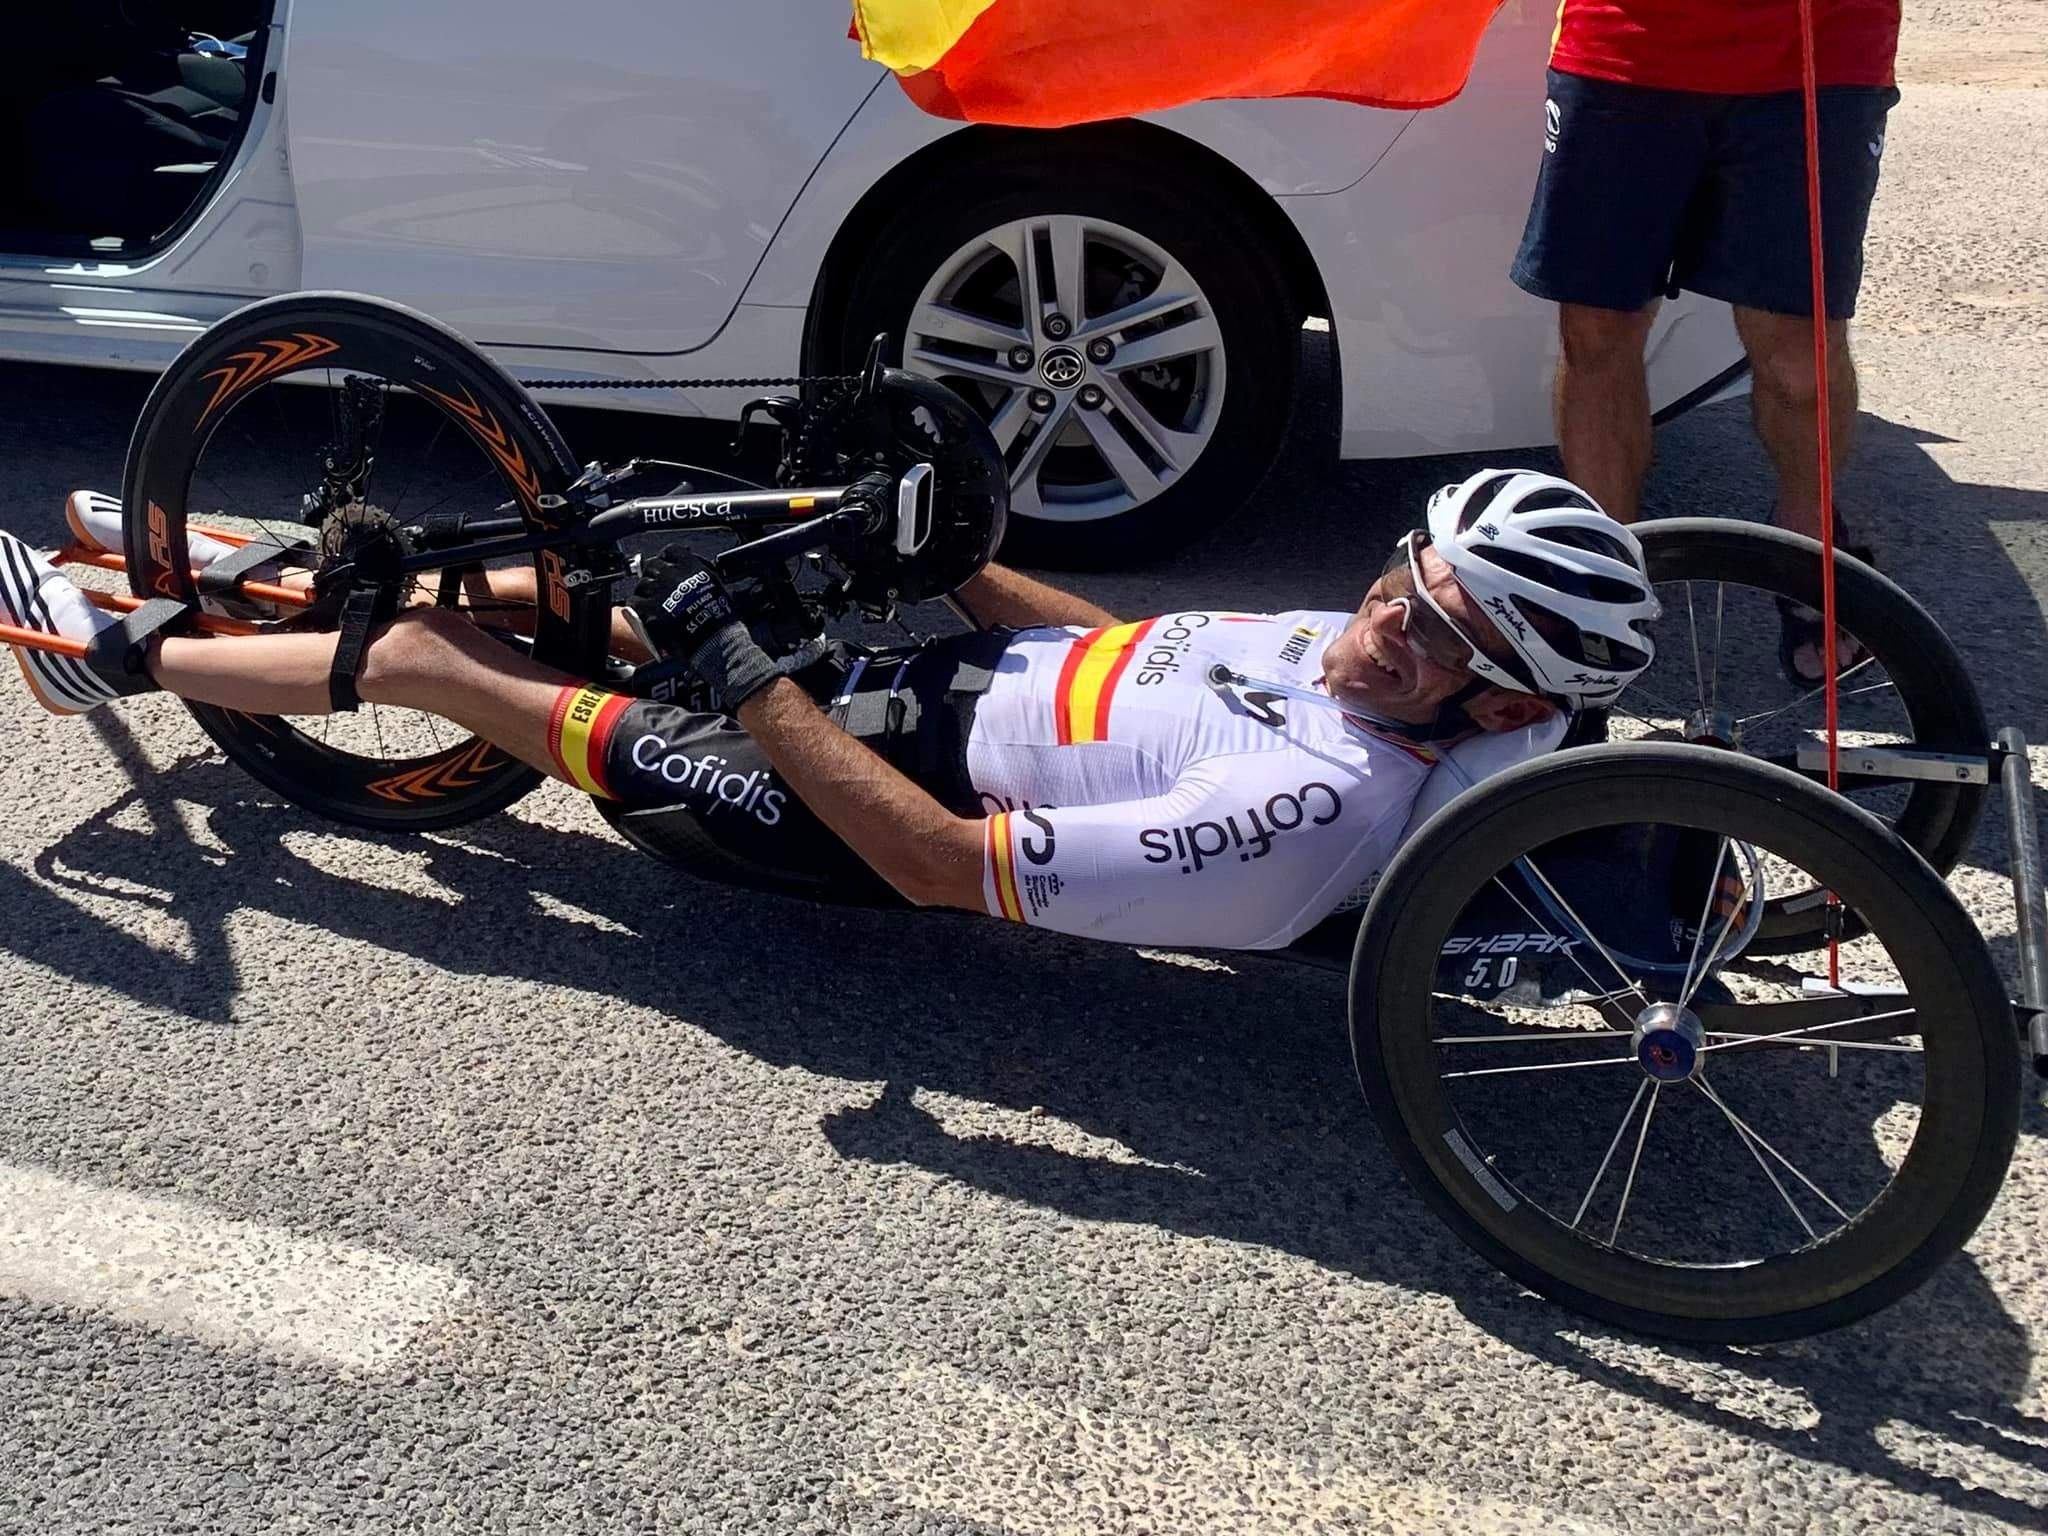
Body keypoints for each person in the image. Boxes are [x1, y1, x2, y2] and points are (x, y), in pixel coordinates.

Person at [0, 470, 1658, 951]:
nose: (1374, 633)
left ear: (1501, 694)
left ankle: (113, 655)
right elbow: (1133, 657)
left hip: (829, 819)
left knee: (461, 668)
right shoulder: (1386, 663)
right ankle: (233, 567)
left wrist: (742, 677)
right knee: (609, 582)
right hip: (913, 694)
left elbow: (942, 864)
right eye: (1393, 588)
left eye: (1426, 641)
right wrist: (967, 563)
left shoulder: (1316, 810)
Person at [1508, 0, 1901, 683]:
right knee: (1597, 335)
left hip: (1820, 54)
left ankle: (1809, 542)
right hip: (1625, 51)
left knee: (1797, 359)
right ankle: (1605, 570)